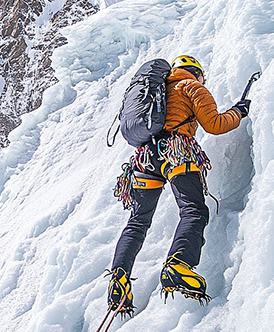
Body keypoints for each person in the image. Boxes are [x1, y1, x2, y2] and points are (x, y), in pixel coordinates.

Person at [107, 55, 251, 315]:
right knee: (193, 210)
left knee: (138, 222)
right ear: (196, 73)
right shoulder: (191, 86)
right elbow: (214, 124)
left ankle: (119, 279)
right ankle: (178, 264)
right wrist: (238, 112)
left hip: (145, 159)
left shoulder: (158, 90)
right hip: (177, 151)